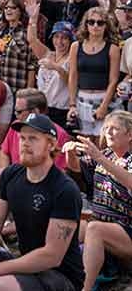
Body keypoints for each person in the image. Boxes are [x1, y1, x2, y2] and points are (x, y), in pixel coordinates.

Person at [0, 113, 84, 291]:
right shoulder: (11, 174)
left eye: (33, 138)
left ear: (51, 144)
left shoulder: (65, 189)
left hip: (60, 275)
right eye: (22, 138)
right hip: (27, 262)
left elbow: (52, 256)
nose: (25, 143)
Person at [63, 111, 132, 291]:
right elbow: (77, 168)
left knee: (94, 229)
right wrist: (71, 154)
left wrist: (99, 157)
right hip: (104, 223)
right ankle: (49, 272)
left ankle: (84, 288)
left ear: (130, 135)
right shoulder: (106, 154)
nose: (108, 132)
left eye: (115, 128)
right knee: (66, 225)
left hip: (128, 230)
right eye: (107, 128)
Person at [67, 8, 122, 138]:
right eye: (91, 22)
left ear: (106, 25)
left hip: (104, 99)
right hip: (82, 99)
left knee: (103, 142)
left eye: (100, 23)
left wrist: (104, 106)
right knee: (83, 142)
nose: (95, 26)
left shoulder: (113, 49)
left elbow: (113, 80)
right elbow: (73, 76)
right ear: (86, 24)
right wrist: (72, 104)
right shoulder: (76, 46)